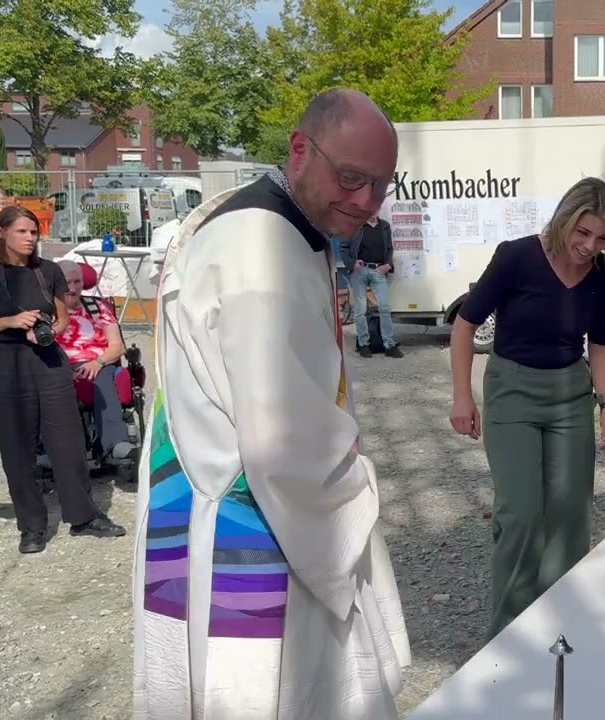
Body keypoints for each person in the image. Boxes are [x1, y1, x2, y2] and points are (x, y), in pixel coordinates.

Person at [132, 88, 411, 719]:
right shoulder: (264, 250)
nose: (366, 204)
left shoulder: (246, 216)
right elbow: (280, 444)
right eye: (351, 178)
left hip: (199, 493)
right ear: (298, 149)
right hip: (260, 523)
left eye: (382, 186)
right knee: (278, 693)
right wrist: (355, 489)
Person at [448, 177, 605, 640]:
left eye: (603, 237)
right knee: (522, 512)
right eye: (583, 233)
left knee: (570, 515)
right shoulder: (517, 257)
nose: (590, 246)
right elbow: (465, 325)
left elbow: (601, 346)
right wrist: (462, 396)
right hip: (512, 391)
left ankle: (558, 627)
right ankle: (509, 634)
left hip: (570, 393)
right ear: (565, 219)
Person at [0, 206, 125, 554]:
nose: (30, 238)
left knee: (67, 440)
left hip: (49, 360)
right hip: (5, 362)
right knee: (16, 447)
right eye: (22, 232)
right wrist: (10, 322)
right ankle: (32, 526)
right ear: (2, 233)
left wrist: (48, 331)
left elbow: (60, 320)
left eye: (34, 233)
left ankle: (83, 516)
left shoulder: (49, 271)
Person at [55, 260, 136, 462]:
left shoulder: (98, 307)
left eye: (77, 282)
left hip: (99, 362)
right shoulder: (47, 310)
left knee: (105, 377)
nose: (73, 288)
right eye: (67, 283)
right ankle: (53, 447)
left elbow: (117, 346)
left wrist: (98, 362)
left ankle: (116, 443)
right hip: (59, 365)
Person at [345, 213, 403, 358]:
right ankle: (364, 344)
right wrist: (352, 264)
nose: (373, 211)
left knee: (384, 307)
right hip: (360, 271)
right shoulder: (355, 225)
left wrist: (388, 265)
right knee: (361, 310)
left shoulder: (384, 226)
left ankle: (389, 345)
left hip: (378, 270)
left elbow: (389, 248)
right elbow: (343, 247)